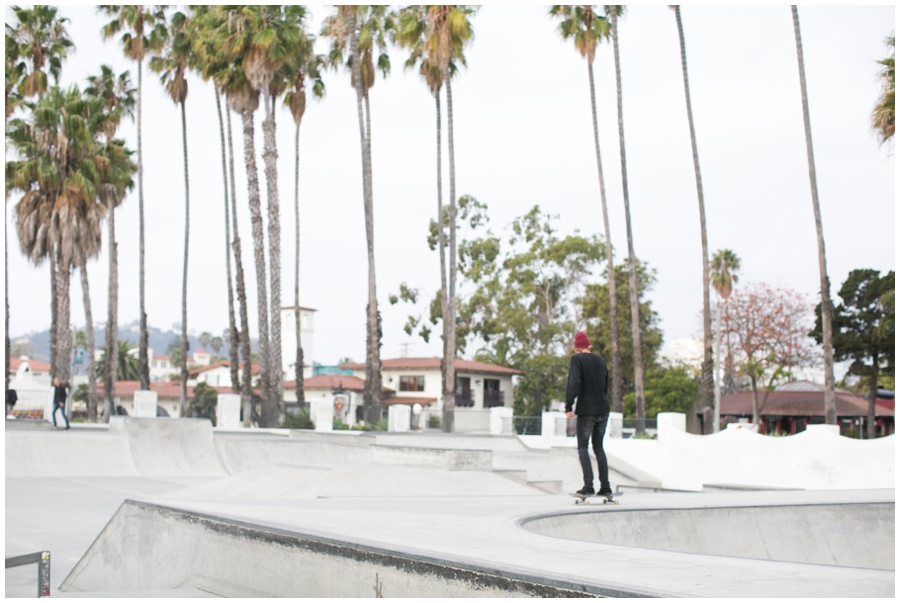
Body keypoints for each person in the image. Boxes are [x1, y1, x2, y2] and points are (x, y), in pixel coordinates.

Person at [565, 331, 611, 497]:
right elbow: (606, 384)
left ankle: (588, 486)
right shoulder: (601, 360)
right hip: (603, 408)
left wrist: (568, 406)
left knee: (583, 447)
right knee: (599, 447)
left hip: (587, 410)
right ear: (588, 345)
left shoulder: (576, 360)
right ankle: (605, 487)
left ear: (577, 347)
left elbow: (574, 383)